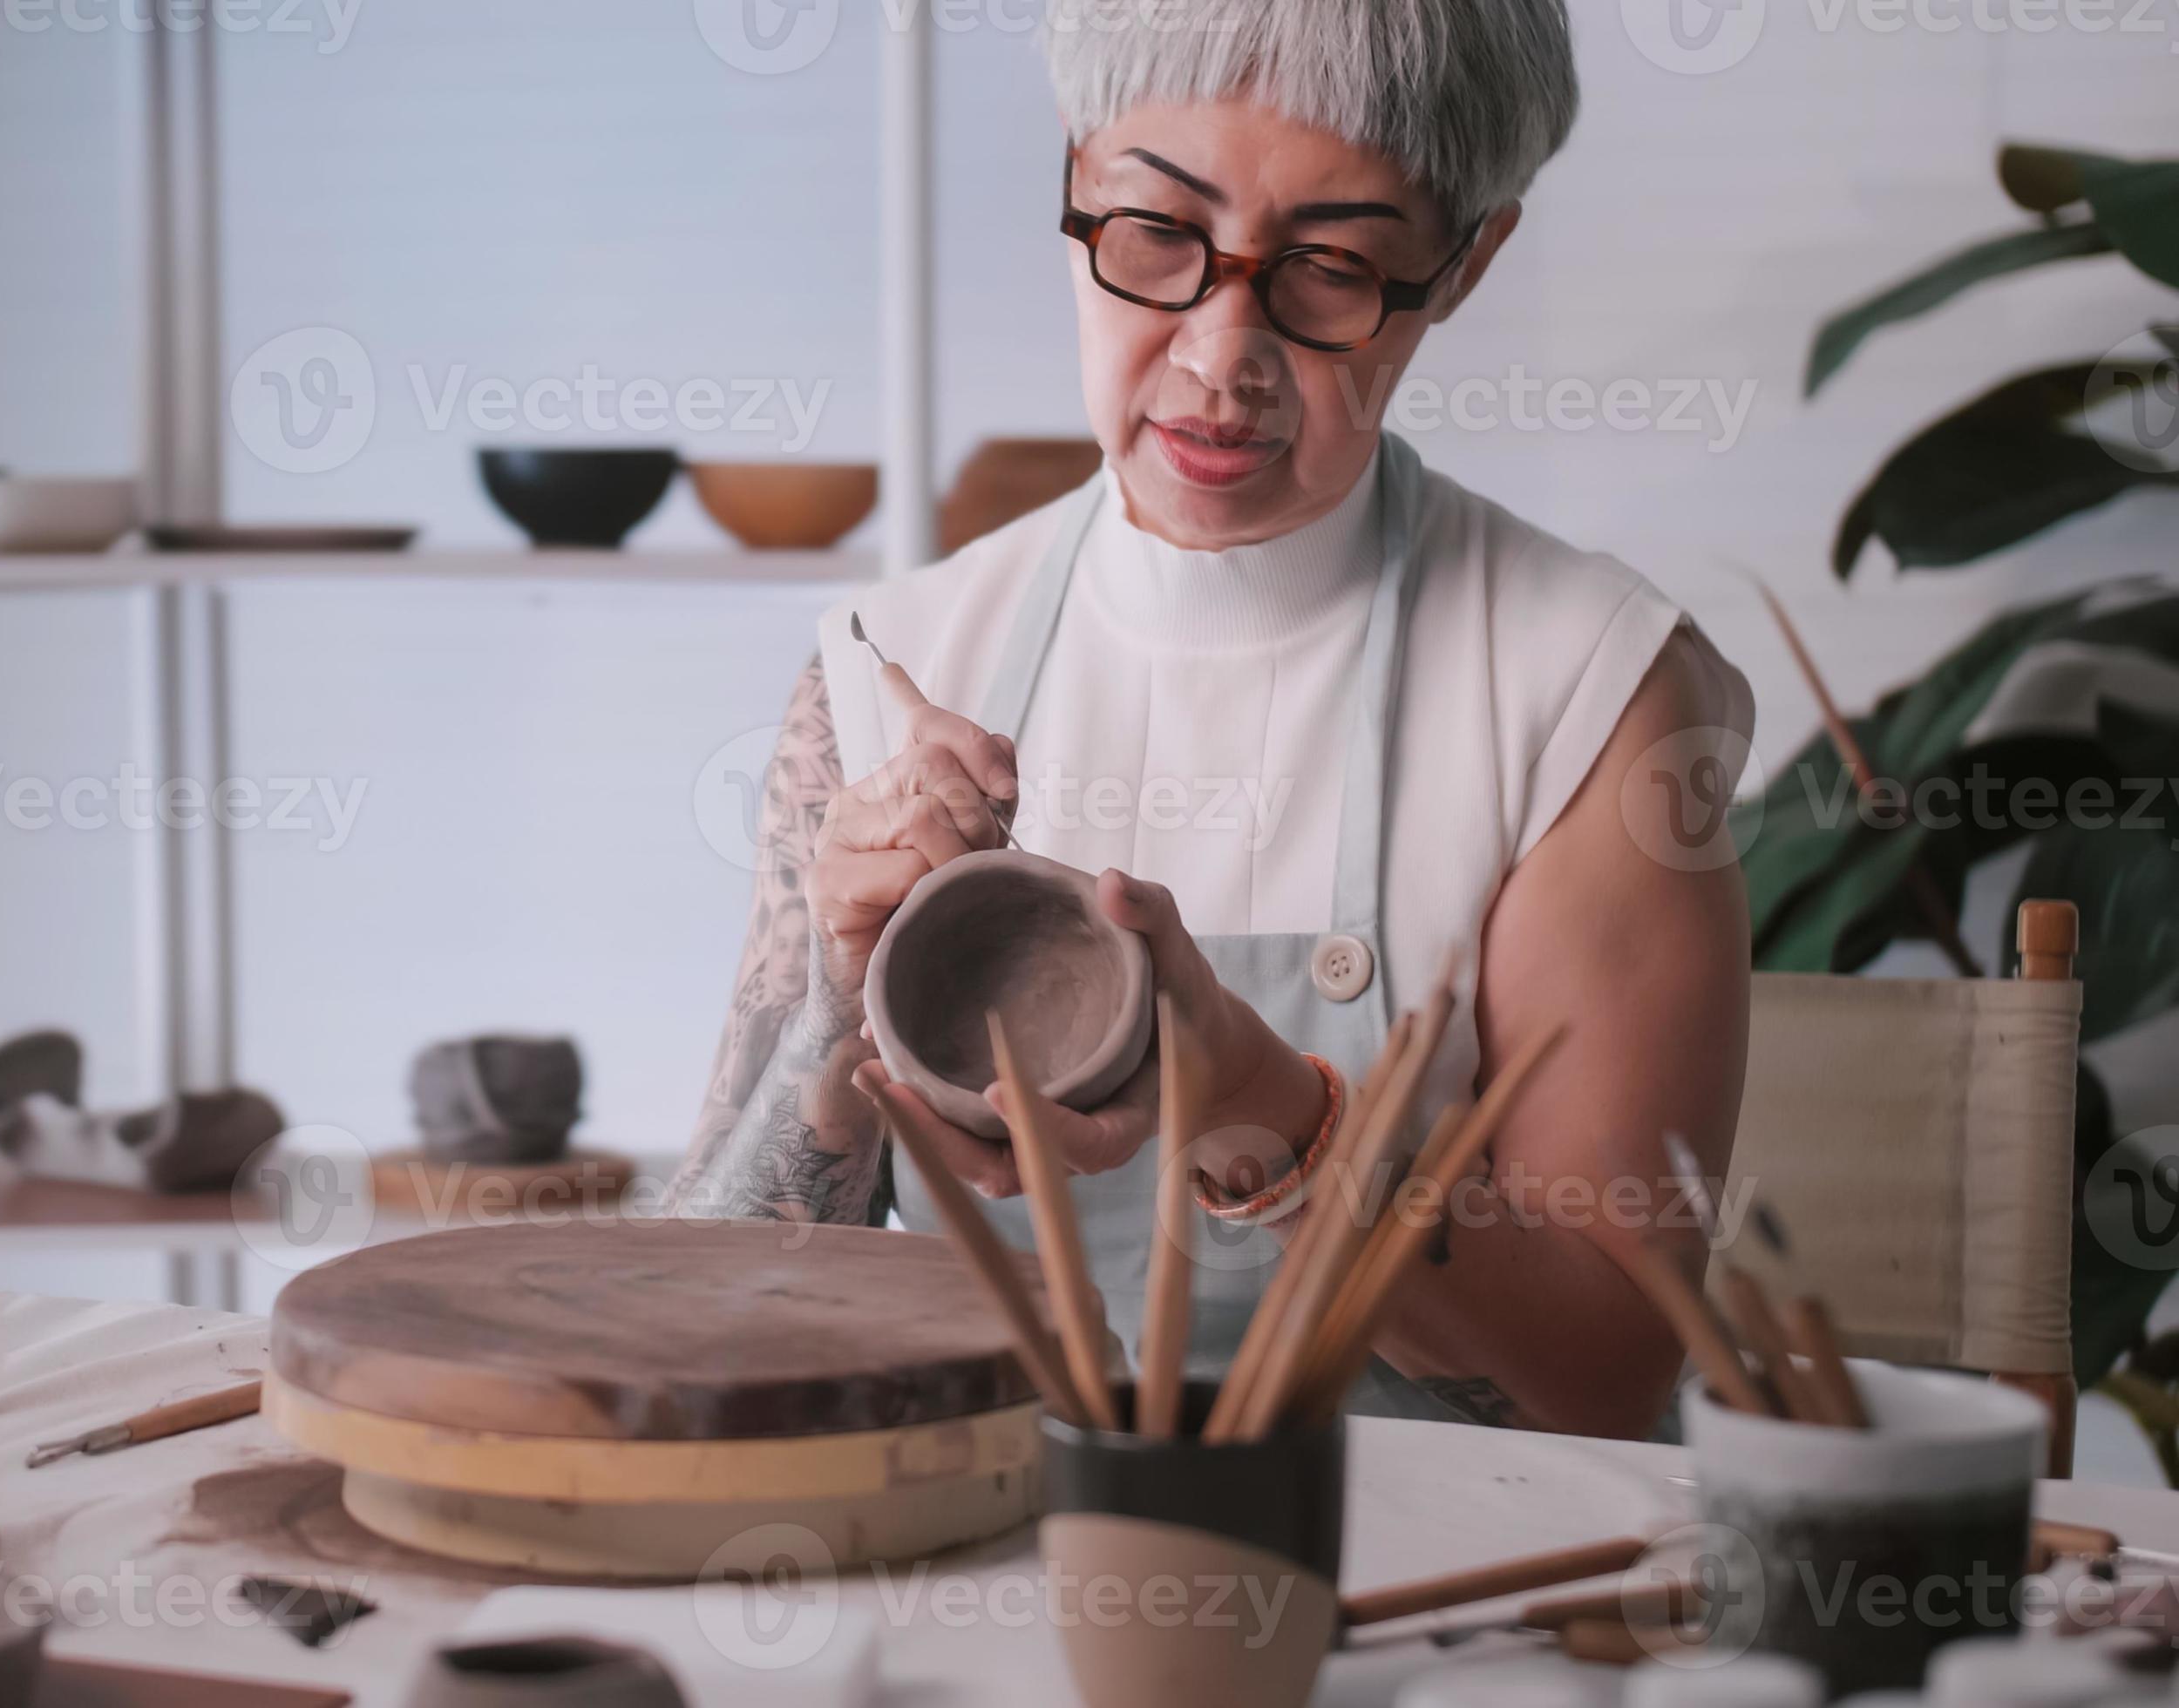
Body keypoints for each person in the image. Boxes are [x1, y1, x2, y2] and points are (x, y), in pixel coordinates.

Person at [668, 0, 1755, 1436]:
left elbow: (1607, 1376)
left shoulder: (1590, 694)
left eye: (1333, 270)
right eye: (1157, 239)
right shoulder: (890, 669)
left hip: (1425, 1604)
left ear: (1468, 258)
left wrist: (1256, 1096)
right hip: (969, 1582)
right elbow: (697, 1319)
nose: (1220, 359)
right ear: (1075, 175)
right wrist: (832, 1013)